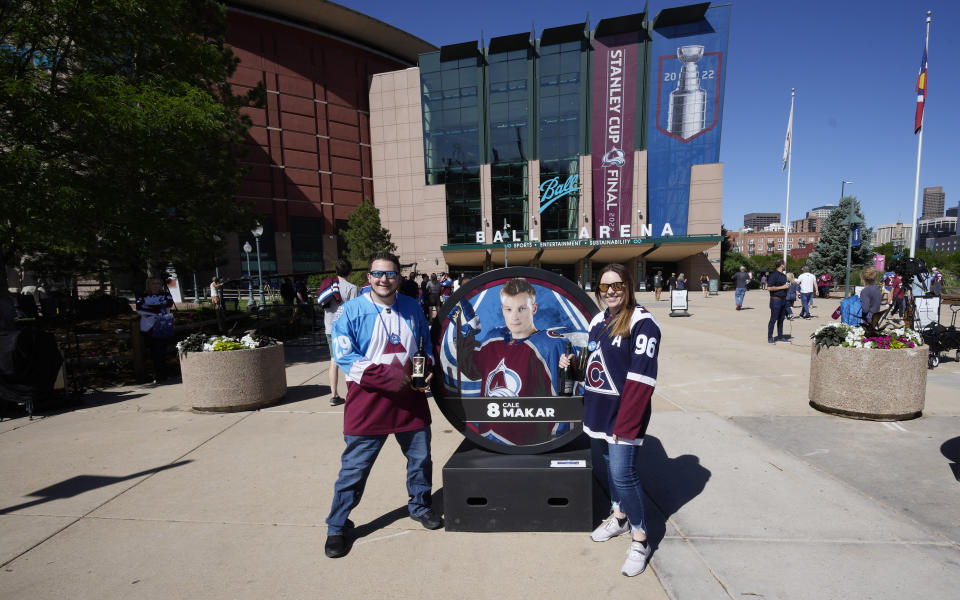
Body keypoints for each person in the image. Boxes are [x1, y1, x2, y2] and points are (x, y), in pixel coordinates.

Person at [325, 252, 440, 559]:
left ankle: (419, 506)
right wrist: (390, 378)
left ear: (398, 278)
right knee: (354, 470)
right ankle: (337, 526)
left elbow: (424, 345)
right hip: (368, 404)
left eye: (389, 274)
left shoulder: (413, 308)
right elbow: (345, 356)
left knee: (420, 460)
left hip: (410, 402)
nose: (383, 279)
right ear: (369, 277)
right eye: (377, 274)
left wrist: (427, 366)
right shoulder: (350, 311)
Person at [559, 263, 659, 577]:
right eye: (604, 287)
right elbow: (596, 366)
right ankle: (618, 517)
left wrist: (625, 424)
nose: (611, 291)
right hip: (599, 411)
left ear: (628, 286)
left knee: (623, 473)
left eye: (617, 285)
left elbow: (641, 380)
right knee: (609, 469)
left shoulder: (643, 323)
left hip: (624, 415)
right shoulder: (599, 320)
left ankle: (640, 537)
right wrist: (573, 366)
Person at [456, 278, 574, 446]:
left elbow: (563, 400)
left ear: (534, 309)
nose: (514, 316)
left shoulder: (551, 345)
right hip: (488, 438)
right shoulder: (494, 338)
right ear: (502, 310)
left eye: (521, 309)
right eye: (509, 309)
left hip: (528, 444)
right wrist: (467, 333)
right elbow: (471, 370)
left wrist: (556, 442)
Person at [324, 259, 359, 407]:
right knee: (350, 360)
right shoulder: (352, 288)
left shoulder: (329, 286)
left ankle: (334, 395)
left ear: (336, 271)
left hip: (330, 328)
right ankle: (353, 394)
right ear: (350, 272)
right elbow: (354, 311)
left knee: (334, 360)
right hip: (346, 329)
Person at [136, 278, 175, 383]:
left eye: (158, 283)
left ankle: (162, 375)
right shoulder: (142, 296)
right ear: (148, 285)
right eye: (153, 283)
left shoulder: (166, 295)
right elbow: (139, 309)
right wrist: (157, 309)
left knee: (161, 351)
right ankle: (156, 374)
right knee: (153, 352)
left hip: (162, 325)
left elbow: (168, 305)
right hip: (148, 327)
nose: (155, 285)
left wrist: (149, 308)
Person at [766, 260, 790, 343]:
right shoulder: (773, 275)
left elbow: (784, 287)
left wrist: (787, 287)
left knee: (781, 319)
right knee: (773, 319)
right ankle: (770, 337)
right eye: (785, 265)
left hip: (783, 300)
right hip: (775, 300)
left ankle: (780, 336)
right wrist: (783, 287)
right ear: (782, 265)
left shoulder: (784, 276)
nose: (785, 266)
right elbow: (769, 288)